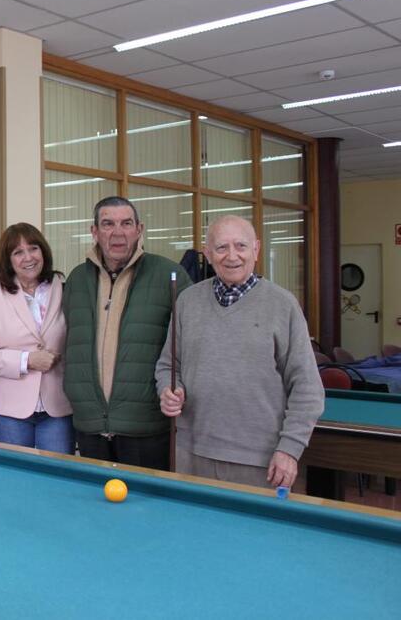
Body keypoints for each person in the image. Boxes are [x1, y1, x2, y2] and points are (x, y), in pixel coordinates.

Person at [156, 215, 324, 489]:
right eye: (221, 247)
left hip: (261, 461)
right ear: (208, 254)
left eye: (241, 246)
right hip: (192, 454)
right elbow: (168, 365)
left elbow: (307, 387)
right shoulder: (187, 301)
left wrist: (289, 449)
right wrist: (168, 389)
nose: (232, 256)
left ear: (256, 249)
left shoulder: (283, 305)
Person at [62, 196, 191, 470]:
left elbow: (190, 346)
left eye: (126, 223)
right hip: (90, 424)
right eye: (108, 224)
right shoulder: (77, 279)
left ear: (139, 229)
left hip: (145, 427)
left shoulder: (170, 275)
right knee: (93, 497)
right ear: (94, 231)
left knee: (145, 498)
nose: (117, 232)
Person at [0, 223, 72, 453]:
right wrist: (27, 360)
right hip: (9, 411)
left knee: (57, 472)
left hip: (58, 405)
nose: (28, 257)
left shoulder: (62, 286)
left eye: (33, 248)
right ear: (8, 260)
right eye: (18, 252)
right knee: (14, 473)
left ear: (43, 251)